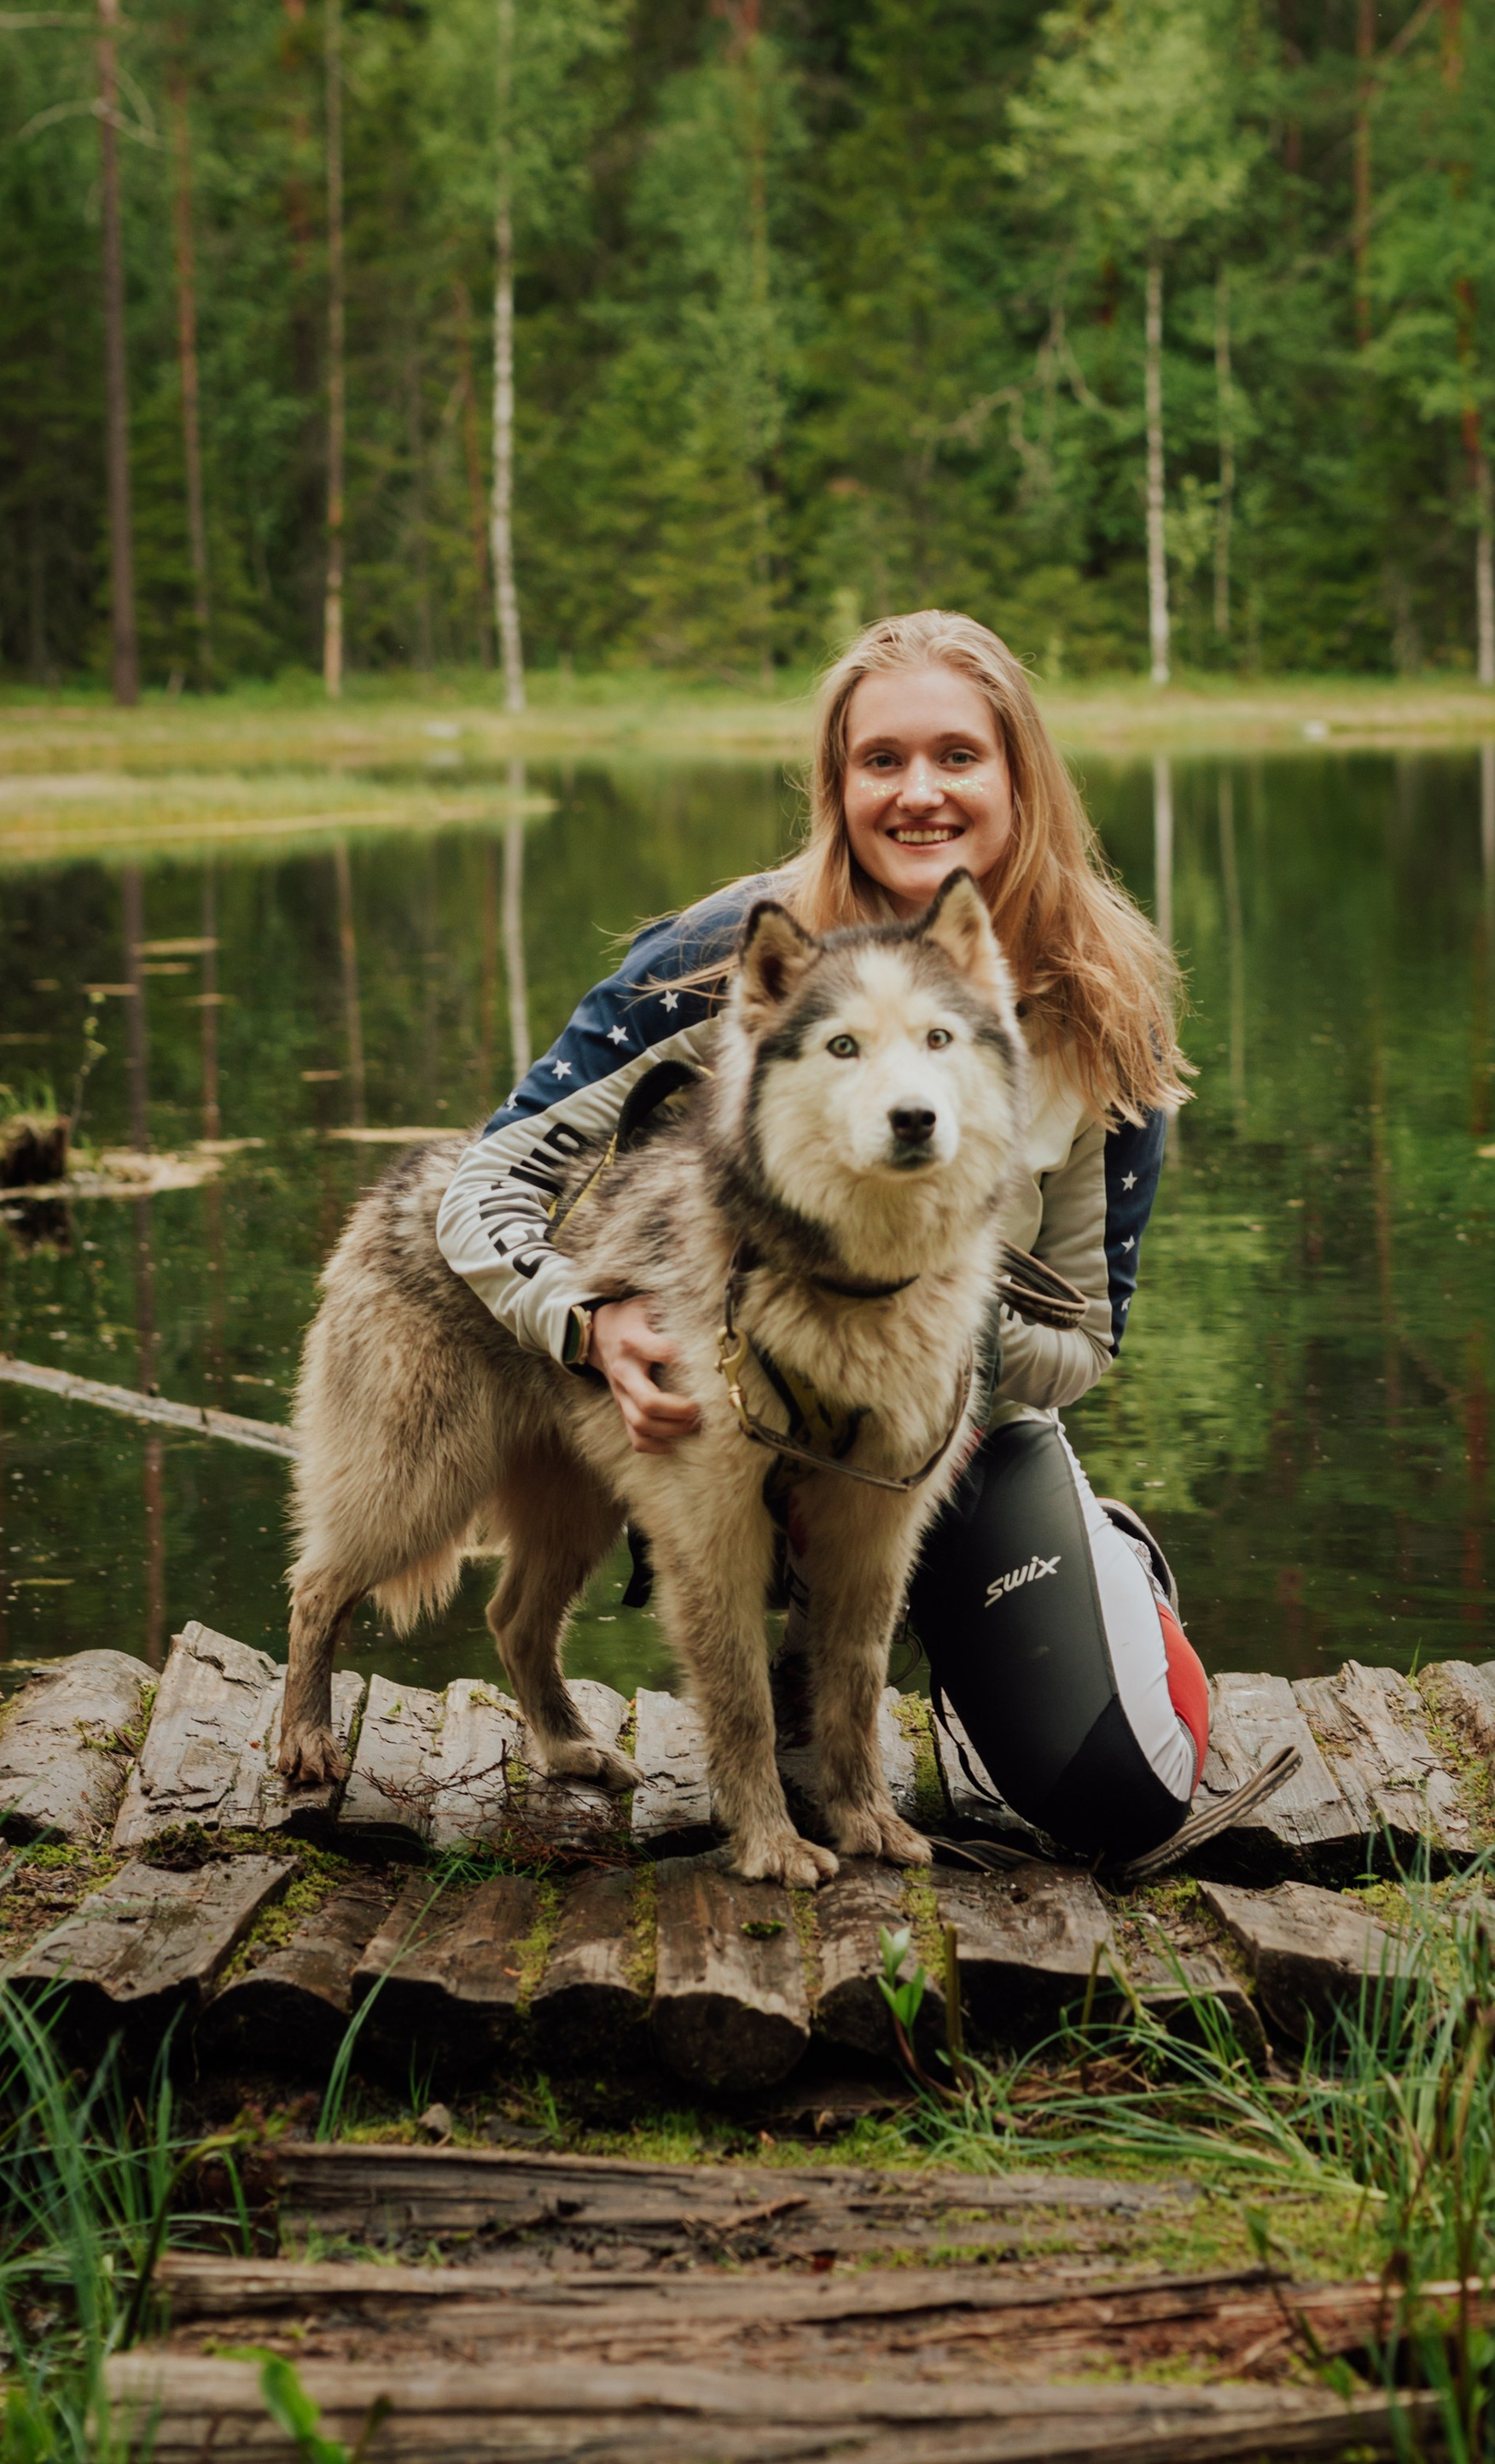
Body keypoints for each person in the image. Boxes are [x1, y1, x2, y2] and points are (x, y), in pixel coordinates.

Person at [436, 609, 1208, 1860]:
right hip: (726, 1417)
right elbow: (483, 1185)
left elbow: (1089, 1338)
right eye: (880, 759)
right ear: (837, 783)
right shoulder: (733, 955)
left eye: (958, 755)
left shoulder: (1101, 994)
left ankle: (1086, 1559)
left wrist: (917, 1318)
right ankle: (785, 1692)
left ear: (1020, 775)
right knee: (790, 1787)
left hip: (946, 1438)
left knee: (1116, 1792)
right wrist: (587, 1323)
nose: (919, 792)